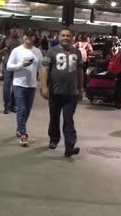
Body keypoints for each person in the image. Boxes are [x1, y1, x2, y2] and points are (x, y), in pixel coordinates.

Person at [40, 29, 83, 157]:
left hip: (71, 93)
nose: (66, 38)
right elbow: (45, 68)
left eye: (68, 36)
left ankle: (69, 147)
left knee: (68, 119)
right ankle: (54, 139)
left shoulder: (77, 52)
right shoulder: (51, 51)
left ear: (72, 38)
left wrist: (80, 88)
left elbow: (80, 71)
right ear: (58, 37)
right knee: (54, 117)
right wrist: (44, 87)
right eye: (63, 35)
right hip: (55, 92)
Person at [6, 30, 44, 146]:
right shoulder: (17, 51)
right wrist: (21, 65)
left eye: (32, 37)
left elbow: (41, 68)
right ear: (24, 38)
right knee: (21, 109)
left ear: (34, 39)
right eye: (27, 36)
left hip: (32, 85)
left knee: (27, 110)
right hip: (18, 84)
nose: (29, 38)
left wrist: (43, 84)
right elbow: (8, 67)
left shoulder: (37, 51)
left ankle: (19, 128)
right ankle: (23, 134)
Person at [0, 25, 23, 114]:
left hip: (18, 66)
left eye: (16, 29)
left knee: (16, 87)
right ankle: (6, 106)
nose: (14, 31)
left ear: (19, 31)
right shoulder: (6, 39)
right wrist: (4, 50)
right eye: (13, 29)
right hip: (7, 65)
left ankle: (13, 105)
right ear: (10, 31)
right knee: (6, 87)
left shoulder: (22, 40)